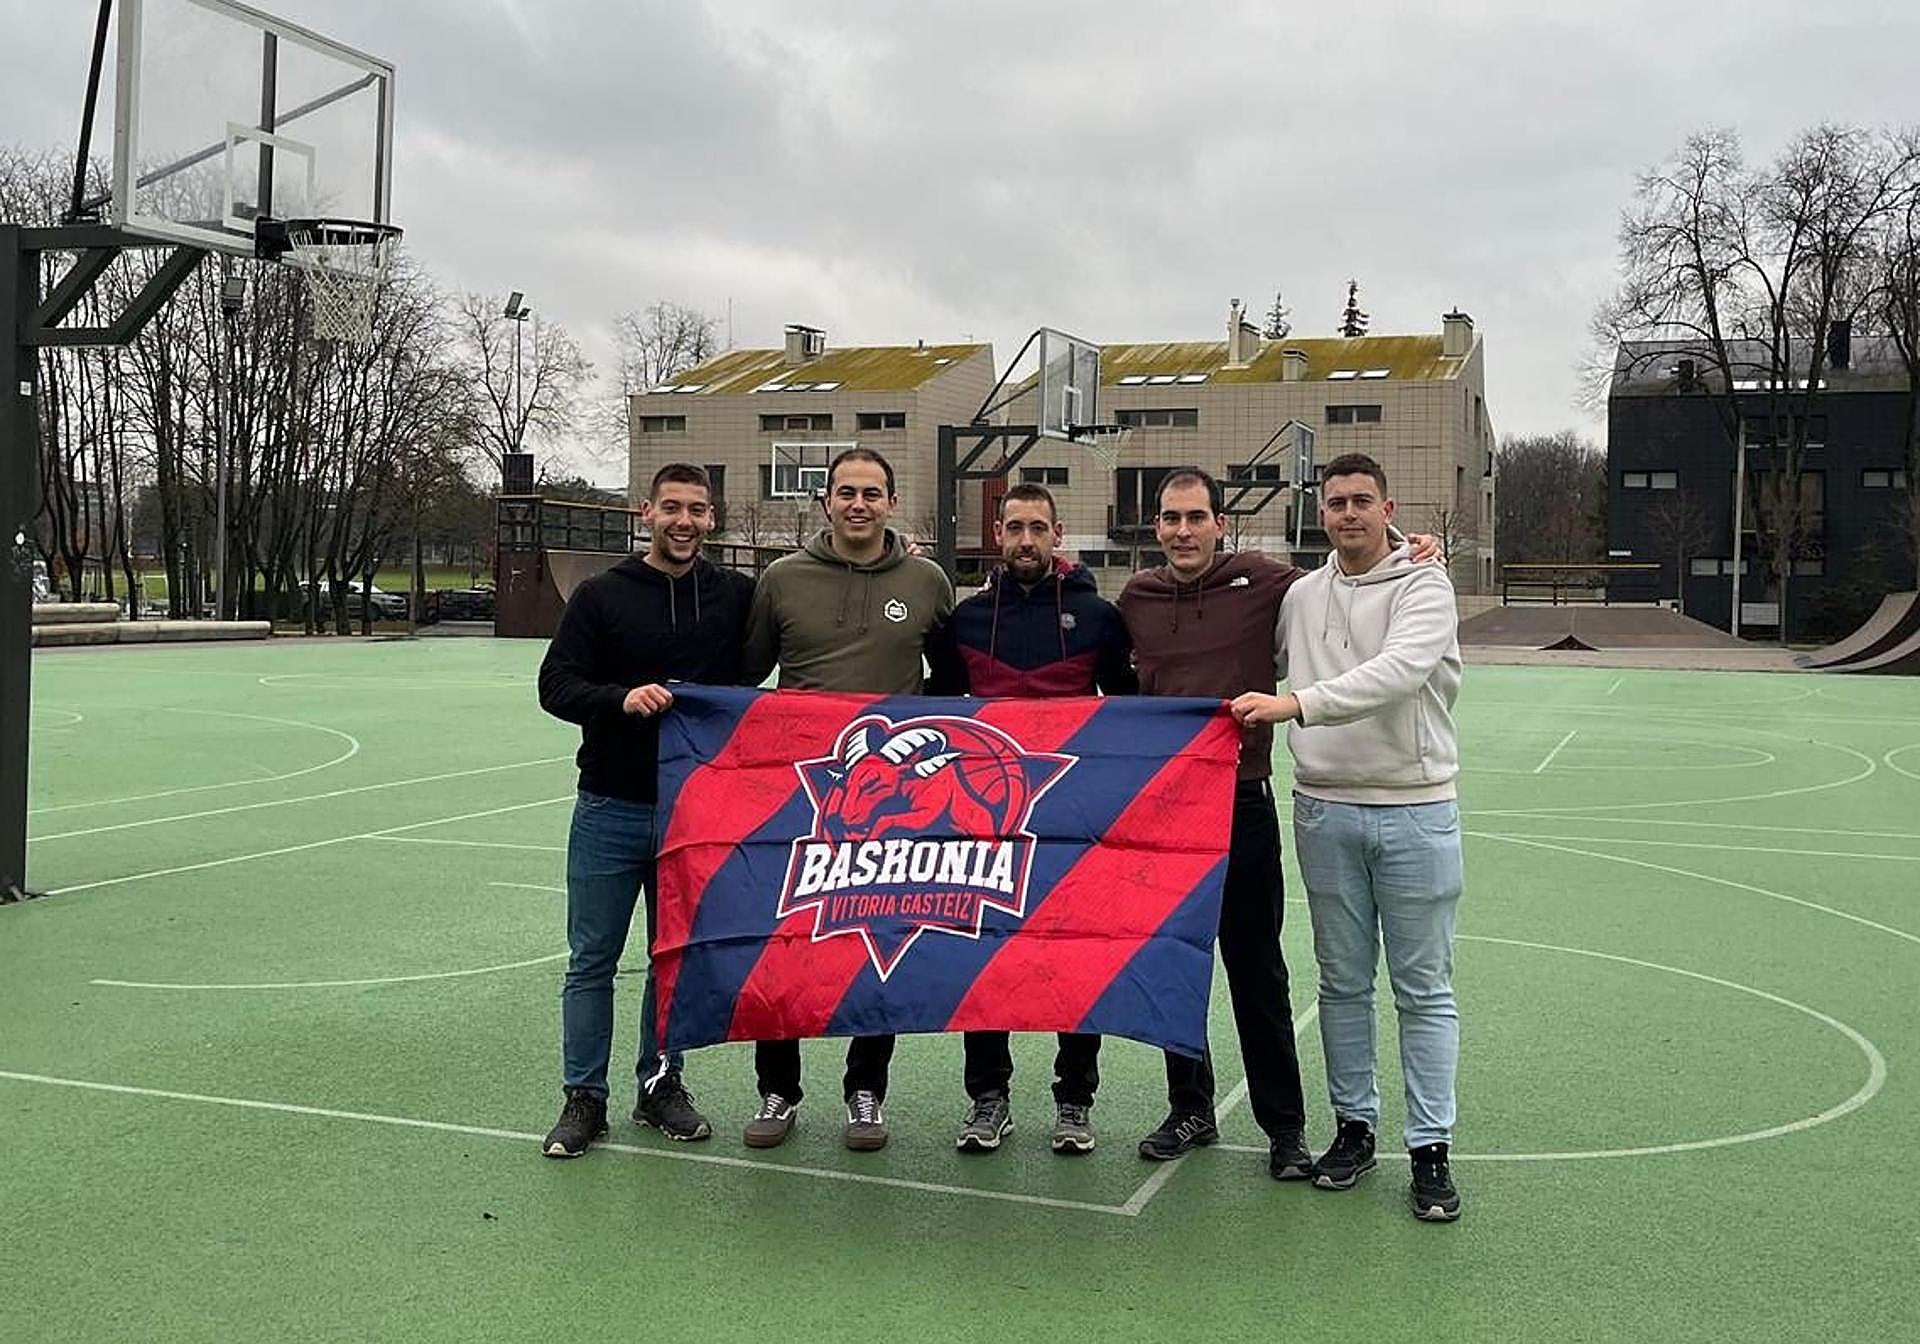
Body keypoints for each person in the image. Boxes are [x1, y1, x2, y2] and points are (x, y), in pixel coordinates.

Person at [1118, 467, 1438, 1182]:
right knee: (1175, 965)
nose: (1182, 531)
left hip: (1241, 802)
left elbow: (1352, 570)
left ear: (1219, 523)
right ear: (1156, 527)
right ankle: (1190, 1106)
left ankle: (1284, 1127)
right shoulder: (1136, 597)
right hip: (1162, 812)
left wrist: (1412, 545)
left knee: (1256, 968)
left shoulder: (1268, 583)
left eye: (1195, 517)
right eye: (1170, 519)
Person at [1231, 452, 1466, 1222]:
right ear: (1321, 512)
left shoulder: (1425, 583)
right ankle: (1355, 1128)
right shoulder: (1301, 595)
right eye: (1336, 503)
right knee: (1341, 983)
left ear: (1388, 509)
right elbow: (1237, 630)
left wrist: (1296, 704)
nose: (1349, 514)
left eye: (1363, 500)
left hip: (1415, 810)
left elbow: (1399, 671)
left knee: (1422, 989)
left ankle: (1429, 1148)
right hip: (1324, 810)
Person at [739, 447, 959, 1152]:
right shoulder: (782, 579)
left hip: (886, 806)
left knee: (876, 942)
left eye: (871, 493)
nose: (858, 504)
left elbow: (955, 679)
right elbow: (744, 677)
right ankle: (778, 1087)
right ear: (825, 501)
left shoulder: (927, 581)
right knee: (786, 943)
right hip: (798, 793)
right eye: (845, 492)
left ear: (891, 502)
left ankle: (867, 1091)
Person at [535, 464, 757, 1158]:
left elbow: (771, 670)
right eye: (672, 508)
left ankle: (660, 1085)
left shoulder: (737, 597)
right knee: (592, 960)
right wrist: (620, 698)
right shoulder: (602, 595)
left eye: (697, 510)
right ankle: (584, 1097)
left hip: (693, 814)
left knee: (672, 960)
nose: (684, 521)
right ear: (647, 513)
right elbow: (555, 685)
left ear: (712, 518)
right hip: (610, 806)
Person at [927, 483, 1136, 1156]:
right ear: (998, 534)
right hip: (987, 825)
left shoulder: (1098, 617)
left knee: (1076, 958)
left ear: (1057, 533)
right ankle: (989, 1098)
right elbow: (935, 709)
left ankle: (1075, 1100)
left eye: (1037, 527)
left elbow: (1132, 711)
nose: (1025, 539)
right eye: (1014, 527)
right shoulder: (965, 620)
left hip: (1073, 821)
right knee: (985, 956)